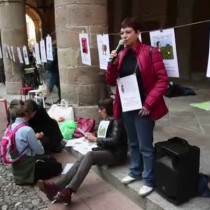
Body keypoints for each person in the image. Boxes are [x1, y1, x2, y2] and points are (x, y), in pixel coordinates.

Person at [106, 17, 168, 196]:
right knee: (132, 143)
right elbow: (111, 81)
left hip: (144, 107)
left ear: (138, 33)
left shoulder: (151, 52)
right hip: (127, 105)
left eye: (128, 32)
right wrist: (112, 64)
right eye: (122, 33)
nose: (124, 36)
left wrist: (149, 103)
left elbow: (162, 80)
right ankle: (135, 171)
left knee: (145, 146)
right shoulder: (121, 54)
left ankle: (148, 179)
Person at [38, 97, 128, 204]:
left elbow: (115, 141)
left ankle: (69, 191)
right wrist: (92, 136)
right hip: (107, 149)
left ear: (106, 109)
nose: (99, 111)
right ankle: (57, 186)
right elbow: (105, 136)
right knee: (83, 157)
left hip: (116, 153)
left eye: (101, 109)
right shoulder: (107, 119)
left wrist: (96, 139)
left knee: (89, 155)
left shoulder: (117, 121)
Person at [10, 102, 62, 185]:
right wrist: (36, 138)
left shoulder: (11, 126)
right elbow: (40, 151)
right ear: (28, 114)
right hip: (28, 168)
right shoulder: (27, 130)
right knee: (57, 166)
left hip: (17, 167)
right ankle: (31, 178)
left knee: (49, 159)